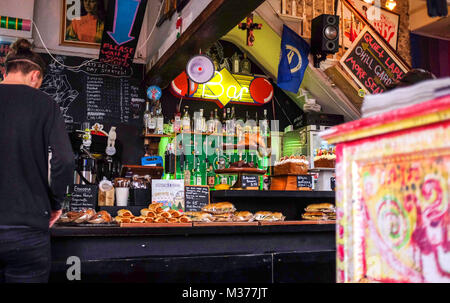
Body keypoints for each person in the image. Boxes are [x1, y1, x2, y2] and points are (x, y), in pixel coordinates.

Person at [0, 39, 74, 282]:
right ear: (34, 76)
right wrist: (55, 202)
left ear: (6, 70)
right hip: (28, 230)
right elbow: (64, 160)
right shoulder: (46, 105)